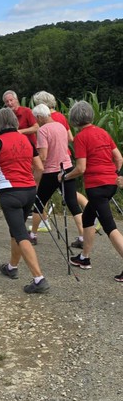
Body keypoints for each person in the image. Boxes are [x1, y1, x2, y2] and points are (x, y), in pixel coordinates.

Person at [0, 107, 49, 294]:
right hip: (29, 190)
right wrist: (33, 184)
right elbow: (39, 167)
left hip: (10, 192)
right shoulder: (26, 140)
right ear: (14, 121)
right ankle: (12, 267)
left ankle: (39, 278)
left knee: (21, 234)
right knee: (16, 230)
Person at [60, 100, 123, 282]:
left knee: (110, 227)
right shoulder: (103, 132)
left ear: (74, 119)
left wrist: (65, 176)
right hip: (110, 183)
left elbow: (81, 168)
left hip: (97, 187)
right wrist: (116, 174)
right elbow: (119, 158)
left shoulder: (81, 137)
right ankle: (84, 257)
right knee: (88, 218)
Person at [28, 104, 84, 245]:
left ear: (40, 117)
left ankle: (33, 235)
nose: (36, 121)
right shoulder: (61, 126)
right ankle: (83, 236)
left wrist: (34, 167)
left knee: (39, 202)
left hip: (51, 172)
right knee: (73, 203)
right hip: (67, 168)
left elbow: (43, 156)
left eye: (36, 118)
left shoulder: (43, 130)